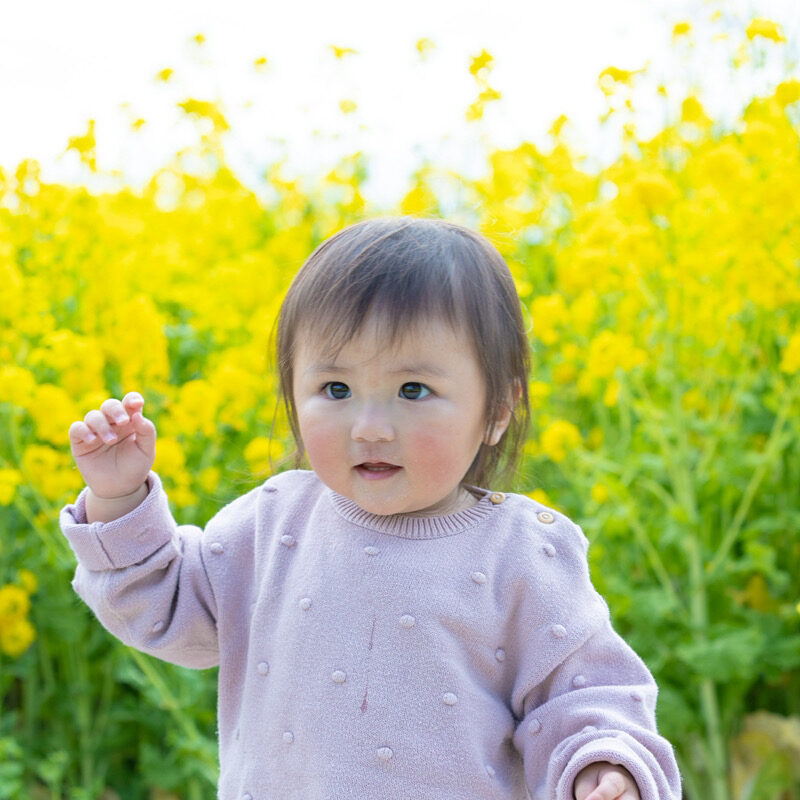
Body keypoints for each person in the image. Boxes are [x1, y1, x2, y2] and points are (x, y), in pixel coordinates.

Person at [61, 217, 681, 800]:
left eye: (414, 390)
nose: (371, 427)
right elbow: (164, 608)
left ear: (497, 409)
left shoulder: (522, 551)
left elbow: (586, 694)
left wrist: (604, 764)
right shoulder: (273, 522)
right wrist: (119, 498)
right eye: (336, 389)